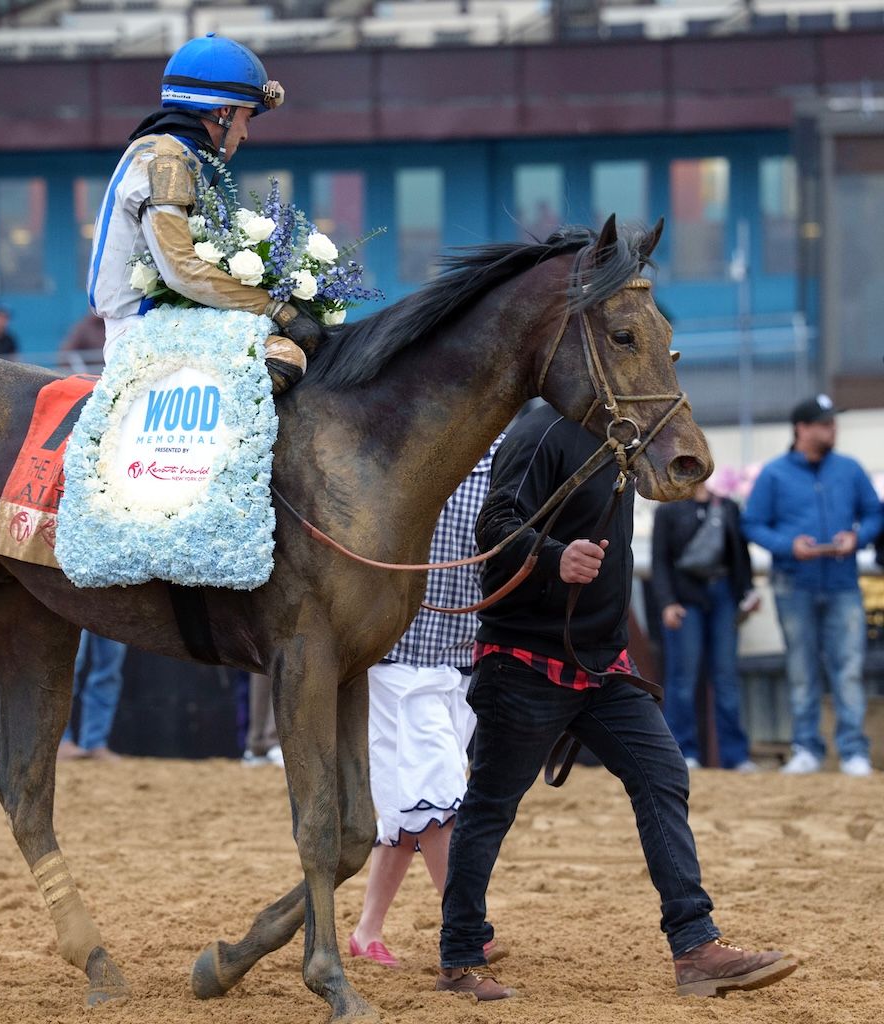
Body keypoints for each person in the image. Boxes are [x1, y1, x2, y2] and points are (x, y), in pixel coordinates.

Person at [436, 404, 796, 1002]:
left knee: (662, 775)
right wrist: (556, 556)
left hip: (602, 663)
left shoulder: (620, 439)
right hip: (525, 662)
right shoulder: (539, 430)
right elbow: (494, 525)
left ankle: (695, 947)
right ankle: (459, 957)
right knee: (491, 806)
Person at [84, 34, 322, 393]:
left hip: (170, 323)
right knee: (284, 355)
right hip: (140, 332)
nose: (245, 134)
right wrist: (277, 309)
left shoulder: (180, 156)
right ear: (223, 112)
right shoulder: (166, 161)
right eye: (246, 118)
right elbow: (181, 271)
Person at [348, 438, 504, 970]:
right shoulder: (414, 443)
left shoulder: (509, 455)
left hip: (458, 654)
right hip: (399, 655)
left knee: (409, 808)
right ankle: (467, 923)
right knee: (437, 794)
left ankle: (367, 930)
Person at [741, 394, 881, 777]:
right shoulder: (774, 474)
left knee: (848, 668)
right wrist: (789, 547)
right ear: (801, 429)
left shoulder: (850, 470)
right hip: (794, 583)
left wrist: (858, 538)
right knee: (801, 670)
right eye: (824, 423)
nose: (831, 429)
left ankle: (852, 751)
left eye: (832, 422)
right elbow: (752, 523)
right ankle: (807, 748)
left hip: (842, 584)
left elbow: (874, 514)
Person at [651, 480, 760, 771]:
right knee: (682, 680)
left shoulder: (727, 506)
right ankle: (682, 753)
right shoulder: (668, 510)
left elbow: (740, 556)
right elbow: (659, 561)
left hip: (723, 595)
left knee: (726, 678)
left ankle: (735, 756)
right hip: (684, 599)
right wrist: (666, 602)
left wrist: (748, 592)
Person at [58, 632, 127, 762]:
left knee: (110, 670)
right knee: (70, 661)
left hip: (114, 613)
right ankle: (60, 741)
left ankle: (95, 743)